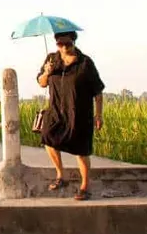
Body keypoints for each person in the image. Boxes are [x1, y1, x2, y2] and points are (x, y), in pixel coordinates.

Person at [37, 31, 105, 201]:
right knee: (47, 138)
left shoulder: (85, 63)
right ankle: (60, 174)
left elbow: (98, 91)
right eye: (60, 44)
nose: (64, 47)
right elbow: (42, 83)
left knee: (81, 151)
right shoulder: (51, 59)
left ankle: (85, 186)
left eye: (68, 44)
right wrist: (47, 72)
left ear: (74, 42)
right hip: (56, 111)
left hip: (79, 113)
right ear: (56, 44)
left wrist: (99, 115)